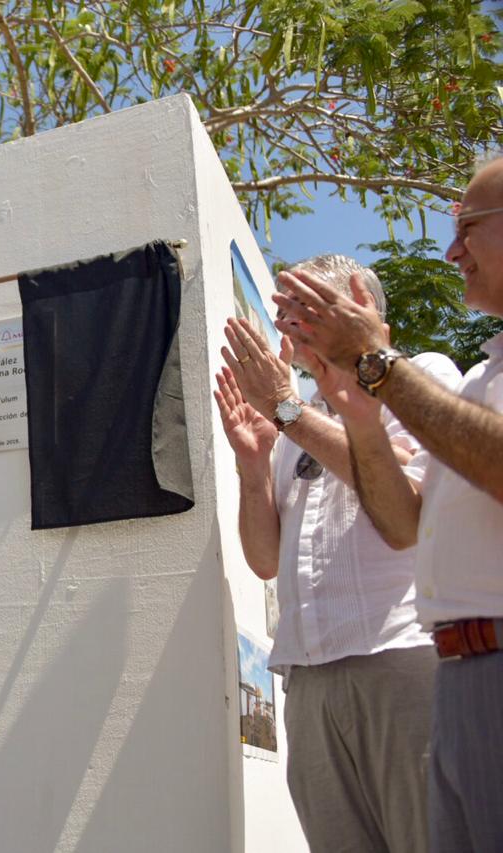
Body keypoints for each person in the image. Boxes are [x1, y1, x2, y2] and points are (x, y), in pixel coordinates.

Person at [272, 158, 503, 852]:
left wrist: (368, 367)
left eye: (468, 227)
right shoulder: (485, 374)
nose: (452, 251)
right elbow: (405, 522)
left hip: (419, 661)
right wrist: (273, 442)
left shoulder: (428, 374)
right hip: (456, 667)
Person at [213, 255, 460, 852]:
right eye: (285, 312)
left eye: (304, 308)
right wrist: (253, 466)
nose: (288, 326)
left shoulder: (421, 376)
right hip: (309, 683)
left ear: (359, 302)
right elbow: (265, 560)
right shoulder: (297, 418)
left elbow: (407, 502)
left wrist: (287, 410)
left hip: (402, 660)